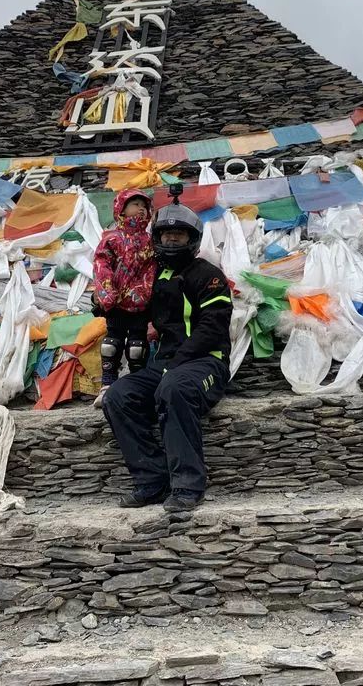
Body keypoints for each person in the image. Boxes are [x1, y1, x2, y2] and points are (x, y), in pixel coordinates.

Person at [102, 199, 232, 512]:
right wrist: (108, 300)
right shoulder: (153, 277)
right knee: (117, 396)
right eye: (165, 236)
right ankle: (152, 481)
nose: (171, 241)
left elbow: (212, 329)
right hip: (164, 365)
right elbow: (134, 312)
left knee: (174, 389)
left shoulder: (209, 276)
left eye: (180, 236)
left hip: (205, 362)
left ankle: (188, 486)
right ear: (156, 240)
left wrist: (175, 362)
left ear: (193, 240)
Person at [92, 188, 157, 406]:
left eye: (143, 205)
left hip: (142, 304)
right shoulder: (112, 238)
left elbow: (154, 269)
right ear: (121, 209)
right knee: (112, 343)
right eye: (134, 204)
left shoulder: (151, 241)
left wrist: (150, 293)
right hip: (117, 303)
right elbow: (101, 265)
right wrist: (106, 293)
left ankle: (137, 385)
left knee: (137, 347)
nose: (140, 208)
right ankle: (107, 385)